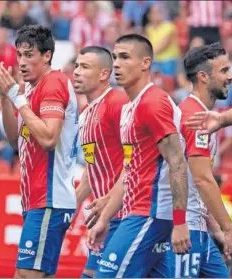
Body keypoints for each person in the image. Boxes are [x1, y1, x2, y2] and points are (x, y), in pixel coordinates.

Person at [87, 34, 192, 278]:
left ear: (146, 63)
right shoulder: (129, 109)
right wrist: (105, 218)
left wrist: (179, 222)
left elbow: (177, 162)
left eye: (124, 57)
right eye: (114, 57)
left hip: (151, 213)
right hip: (139, 211)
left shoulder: (153, 102)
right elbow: (130, 170)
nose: (116, 64)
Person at [0, 25, 78, 278]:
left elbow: (49, 138)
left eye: (29, 55)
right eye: (19, 55)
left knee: (25, 274)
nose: (21, 62)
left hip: (49, 198)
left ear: (47, 55)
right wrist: (5, 98)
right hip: (37, 198)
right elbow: (14, 141)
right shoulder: (30, 89)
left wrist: (16, 98)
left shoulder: (53, 83)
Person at [168, 42, 232, 278]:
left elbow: (195, 184)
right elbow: (202, 180)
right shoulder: (193, 118)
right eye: (223, 71)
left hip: (200, 229)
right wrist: (229, 230)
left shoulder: (204, 116)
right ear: (203, 76)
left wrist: (216, 231)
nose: (230, 77)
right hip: (185, 230)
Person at [73, 46, 128, 278]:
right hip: (106, 216)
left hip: (126, 213)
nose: (76, 72)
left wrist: (109, 199)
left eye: (84, 67)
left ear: (104, 74)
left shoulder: (118, 102)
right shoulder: (85, 113)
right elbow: (90, 168)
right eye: (76, 65)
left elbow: (136, 160)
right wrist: (69, 208)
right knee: (90, 274)